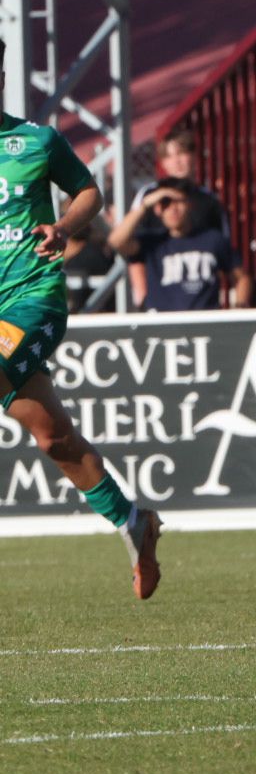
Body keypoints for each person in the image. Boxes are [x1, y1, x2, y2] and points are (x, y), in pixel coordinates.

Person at [0, 39, 162, 597]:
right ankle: (134, 521)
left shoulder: (36, 141)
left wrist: (63, 227)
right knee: (53, 439)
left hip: (32, 298)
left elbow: (89, 192)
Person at [109, 178, 252, 311]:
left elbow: (242, 278)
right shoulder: (152, 243)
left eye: (178, 202)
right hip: (162, 322)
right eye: (165, 203)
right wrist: (145, 205)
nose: (173, 209)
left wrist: (239, 308)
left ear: (190, 204)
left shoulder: (213, 239)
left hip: (204, 322)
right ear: (157, 209)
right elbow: (116, 241)